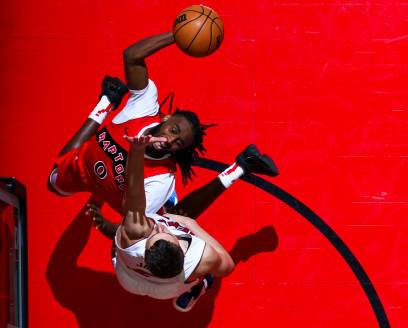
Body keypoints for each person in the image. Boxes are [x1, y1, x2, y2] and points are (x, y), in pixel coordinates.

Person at [47, 32, 279, 216]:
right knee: (53, 183)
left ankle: (239, 167)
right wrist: (177, 36)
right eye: (173, 130)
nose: (170, 140)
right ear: (165, 119)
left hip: (131, 203)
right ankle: (107, 102)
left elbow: (130, 226)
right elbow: (132, 56)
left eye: (178, 142)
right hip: (85, 169)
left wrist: (104, 223)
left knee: (172, 221)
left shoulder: (161, 178)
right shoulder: (144, 107)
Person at [87, 132, 235, 311]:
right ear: (182, 251)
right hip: (169, 289)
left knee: (131, 224)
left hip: (128, 280)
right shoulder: (201, 257)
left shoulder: (134, 232)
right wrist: (190, 224)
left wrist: (137, 150)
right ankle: (200, 285)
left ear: (147, 251)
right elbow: (227, 266)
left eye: (155, 233)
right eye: (165, 232)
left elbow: (133, 191)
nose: (160, 226)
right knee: (204, 272)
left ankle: (194, 284)